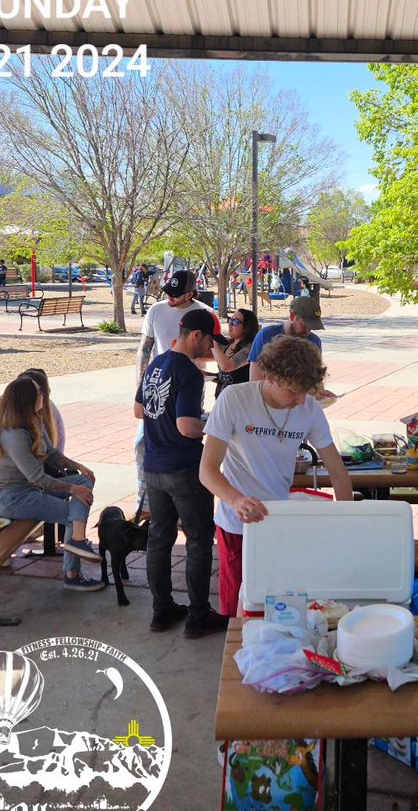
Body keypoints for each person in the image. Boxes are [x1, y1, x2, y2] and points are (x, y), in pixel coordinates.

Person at [200, 336, 354, 617]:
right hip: (237, 523)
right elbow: (207, 470)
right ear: (270, 377)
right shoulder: (235, 399)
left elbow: (338, 472)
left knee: (277, 602)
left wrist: (346, 523)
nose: (299, 400)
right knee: (237, 606)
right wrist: (235, 500)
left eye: (305, 392)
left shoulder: (308, 408)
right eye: (293, 391)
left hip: (281, 520)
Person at [136, 309, 229, 638]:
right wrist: (213, 424)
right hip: (185, 468)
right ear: (196, 335)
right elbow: (188, 427)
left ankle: (161, 612)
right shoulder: (188, 373)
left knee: (159, 539)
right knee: (199, 541)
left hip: (153, 466)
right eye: (208, 341)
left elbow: (139, 409)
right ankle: (198, 615)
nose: (208, 349)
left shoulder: (156, 365)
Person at [0, 377, 103, 590]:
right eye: (39, 393)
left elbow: (51, 455)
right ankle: (72, 574)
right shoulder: (13, 434)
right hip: (14, 497)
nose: (43, 396)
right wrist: (71, 489)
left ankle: (77, 540)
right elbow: (37, 478)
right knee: (72, 515)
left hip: (32, 489)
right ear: (29, 399)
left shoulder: (34, 421)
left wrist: (79, 466)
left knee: (83, 481)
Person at [135, 269, 214, 507]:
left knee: (183, 433)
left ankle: (180, 498)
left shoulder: (204, 313)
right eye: (168, 293)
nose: (170, 298)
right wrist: (141, 382)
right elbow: (145, 348)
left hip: (189, 382)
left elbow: (213, 350)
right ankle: (146, 500)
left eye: (176, 295)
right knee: (142, 441)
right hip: (158, 380)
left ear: (190, 294)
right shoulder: (156, 310)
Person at [248, 296, 324, 382]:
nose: (307, 331)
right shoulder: (266, 336)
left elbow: (316, 379)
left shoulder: (314, 342)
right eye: (305, 325)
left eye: (312, 327)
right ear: (292, 316)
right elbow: (255, 381)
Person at [214, 308, 259, 396]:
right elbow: (224, 375)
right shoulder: (228, 344)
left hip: (240, 401)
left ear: (246, 327)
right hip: (223, 399)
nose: (230, 324)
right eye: (230, 320)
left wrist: (213, 343)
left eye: (235, 322)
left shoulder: (250, 348)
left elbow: (227, 366)